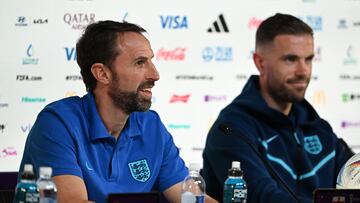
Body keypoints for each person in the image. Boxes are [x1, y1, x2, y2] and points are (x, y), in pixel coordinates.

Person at [18, 20, 216, 203]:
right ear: (102, 73)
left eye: (151, 61)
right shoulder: (57, 123)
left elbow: (192, 198)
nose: (155, 75)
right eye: (140, 63)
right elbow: (73, 201)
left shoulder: (151, 126)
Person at [202, 13, 354, 203]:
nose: (303, 71)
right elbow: (263, 198)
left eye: (308, 59)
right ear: (260, 63)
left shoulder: (319, 128)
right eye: (290, 59)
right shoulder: (231, 130)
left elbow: (353, 184)